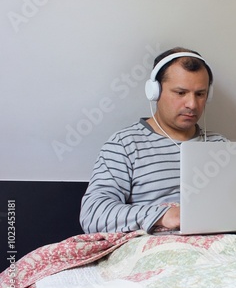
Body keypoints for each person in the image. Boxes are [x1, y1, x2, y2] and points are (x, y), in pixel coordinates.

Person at [80, 47, 228, 234]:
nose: (192, 104)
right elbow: (93, 215)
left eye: (200, 94)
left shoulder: (221, 146)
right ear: (154, 92)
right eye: (180, 93)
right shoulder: (124, 145)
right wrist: (164, 216)